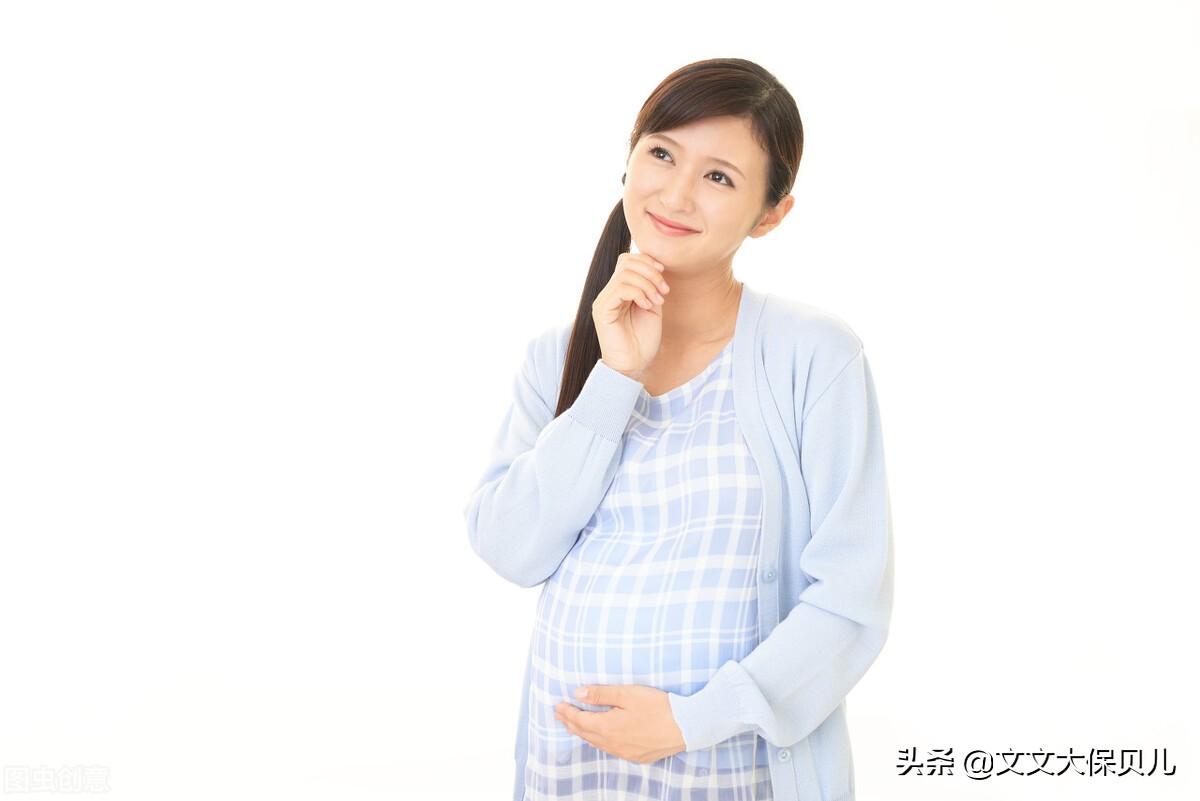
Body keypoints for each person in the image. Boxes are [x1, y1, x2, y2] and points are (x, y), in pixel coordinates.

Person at [464, 57, 893, 801]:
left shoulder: (813, 356)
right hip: (573, 769)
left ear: (771, 213)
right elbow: (510, 548)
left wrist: (693, 721)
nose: (676, 193)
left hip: (738, 773)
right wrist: (614, 379)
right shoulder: (558, 357)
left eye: (719, 176)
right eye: (662, 153)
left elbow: (851, 601)